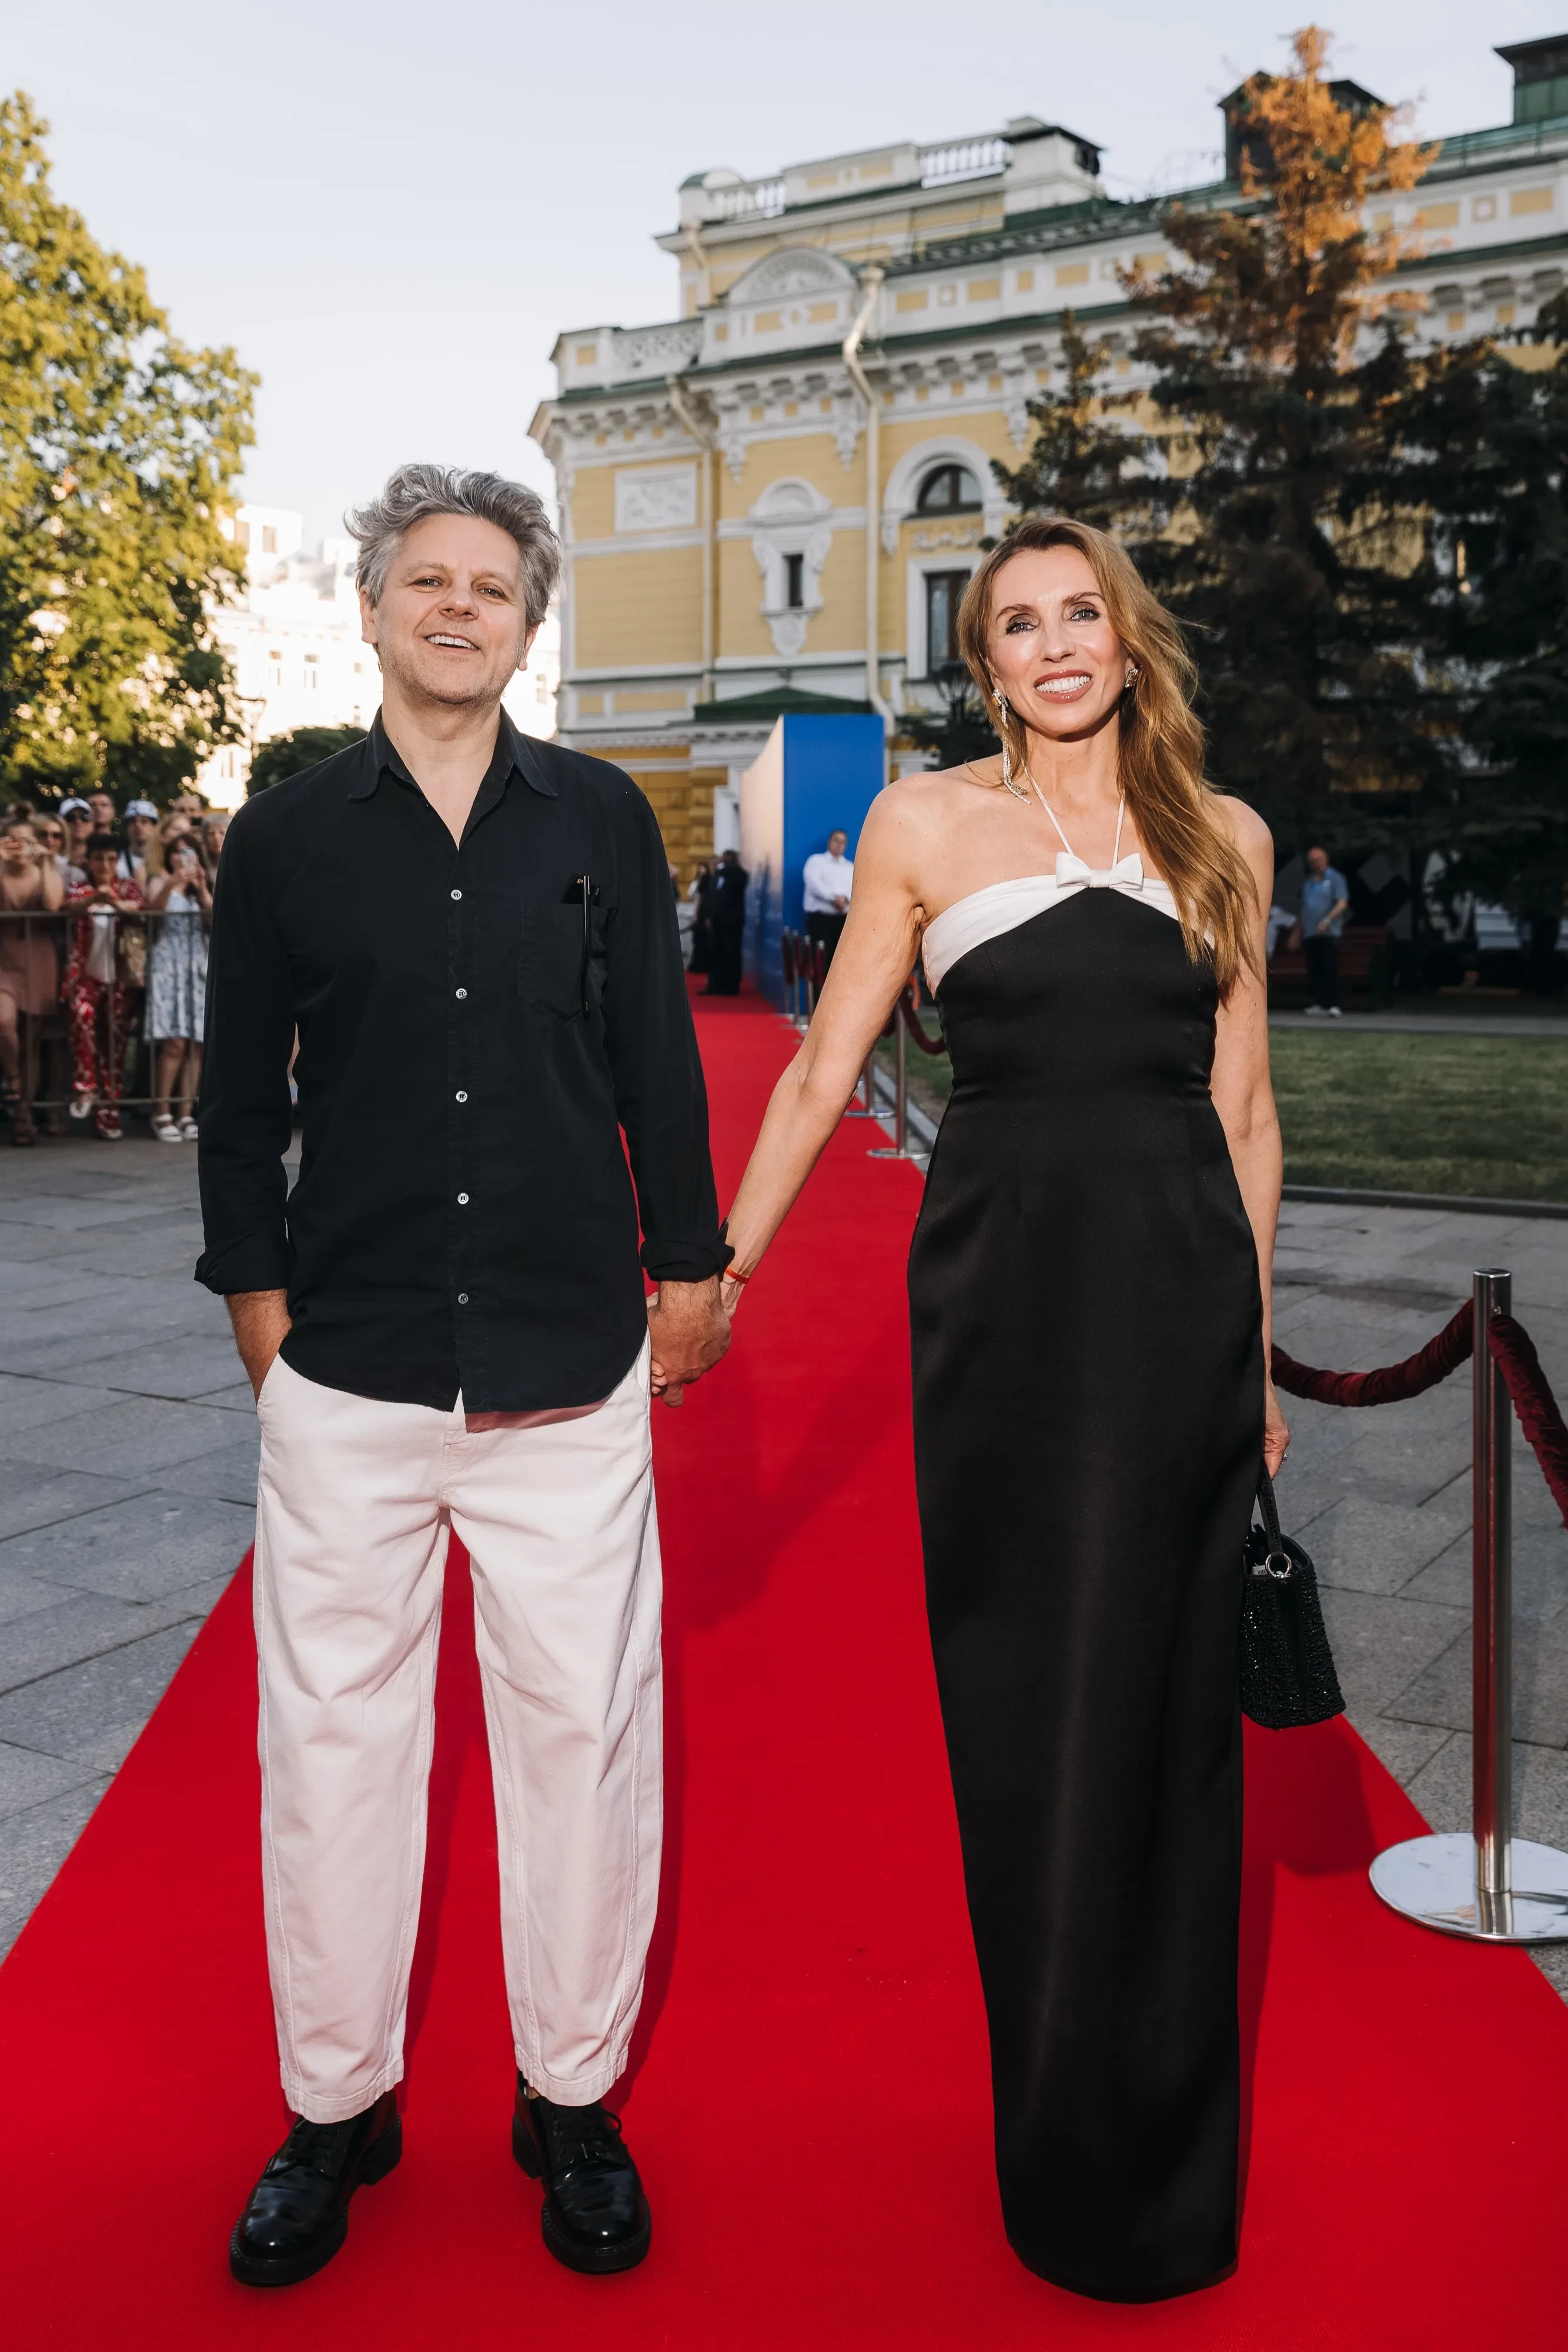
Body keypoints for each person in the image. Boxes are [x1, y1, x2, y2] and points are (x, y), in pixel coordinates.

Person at [717, 516, 1286, 2302]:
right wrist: (720, 1274)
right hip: (1002, 1312)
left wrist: (1258, 1353)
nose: (1055, 645)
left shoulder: (1226, 837)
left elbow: (1247, 1112)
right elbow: (823, 1070)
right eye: (1017, 625)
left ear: (1126, 635)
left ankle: (1170, 2164)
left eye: (1080, 613)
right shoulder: (924, 825)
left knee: (1173, 1721)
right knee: (1034, 1702)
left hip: (1182, 1309)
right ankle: (1058, 2138)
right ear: (984, 665)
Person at [198, 462, 730, 2293]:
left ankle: (569, 2097)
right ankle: (334, 2105)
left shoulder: (600, 818)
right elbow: (237, 1095)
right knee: (332, 1751)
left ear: (526, 622)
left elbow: (655, 1054)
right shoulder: (282, 837)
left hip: (565, 1363)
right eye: (424, 578)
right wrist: (256, 1307)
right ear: (369, 608)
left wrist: (690, 1264)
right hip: (346, 1366)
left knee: (584, 1739)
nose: (455, 606)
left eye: (490, 585)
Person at [63, 831, 146, 1139]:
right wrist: (94, 900)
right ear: (90, 860)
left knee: (115, 1044)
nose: (105, 865)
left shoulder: (126, 887)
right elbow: (70, 905)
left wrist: (118, 904)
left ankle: (109, 1113)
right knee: (81, 1012)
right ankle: (86, 1085)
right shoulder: (81, 887)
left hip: (119, 978)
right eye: (99, 859)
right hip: (87, 975)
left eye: (111, 859)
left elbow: (141, 904)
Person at [0, 820, 63, 1146]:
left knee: (32, 1045)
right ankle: (12, 1077)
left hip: (39, 958)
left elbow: (53, 904)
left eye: (26, 840)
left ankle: (24, 1117)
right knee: (3, 1021)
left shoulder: (46, 871)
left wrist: (47, 861)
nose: (20, 846)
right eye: (13, 840)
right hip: (4, 957)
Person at [144, 835, 211, 1140]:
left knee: (196, 1043)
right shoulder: (160, 881)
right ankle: (161, 1112)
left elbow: (216, 919)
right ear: (169, 856)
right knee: (174, 1042)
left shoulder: (201, 886)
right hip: (168, 964)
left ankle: (185, 1113)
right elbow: (152, 913)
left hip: (197, 965)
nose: (183, 858)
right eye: (178, 852)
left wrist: (202, 888)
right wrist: (173, 883)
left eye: (189, 852)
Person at [1291, 845, 1349, 1017]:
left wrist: (1327, 920)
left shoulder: (1335, 878)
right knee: (1314, 969)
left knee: (1329, 967)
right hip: (1311, 933)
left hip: (1329, 933)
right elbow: (1305, 909)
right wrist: (1297, 933)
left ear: (1326, 859)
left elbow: (1342, 903)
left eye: (1319, 860)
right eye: (1313, 861)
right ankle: (1320, 1003)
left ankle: (1334, 1004)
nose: (1316, 863)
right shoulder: (1308, 883)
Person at [801, 827, 854, 968]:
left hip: (843, 921)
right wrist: (833, 898)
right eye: (836, 840)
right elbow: (814, 883)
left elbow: (855, 888)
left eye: (843, 842)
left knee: (840, 963)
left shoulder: (851, 867)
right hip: (820, 921)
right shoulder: (816, 862)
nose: (839, 844)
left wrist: (845, 899)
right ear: (829, 841)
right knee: (820, 963)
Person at [701, 846, 748, 995]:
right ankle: (714, 985)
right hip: (716, 922)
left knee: (731, 953)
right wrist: (709, 917)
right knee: (715, 953)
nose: (725, 861)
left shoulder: (740, 875)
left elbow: (736, 887)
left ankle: (730, 986)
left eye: (728, 858)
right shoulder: (717, 875)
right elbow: (711, 897)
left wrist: (723, 870)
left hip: (732, 923)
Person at [686, 858, 714, 975]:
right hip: (701, 913)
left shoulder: (709, 879)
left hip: (703, 913)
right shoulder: (701, 882)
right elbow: (694, 897)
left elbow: (701, 899)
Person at [121, 799, 159, 880]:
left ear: (155, 827)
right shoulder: (117, 860)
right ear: (127, 828)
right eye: (133, 822)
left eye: (144, 822)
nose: (138, 826)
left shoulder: (165, 859)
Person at [59, 797, 93, 880]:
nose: (78, 822)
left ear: (93, 823)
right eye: (70, 818)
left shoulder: (104, 856)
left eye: (85, 818)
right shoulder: (53, 857)